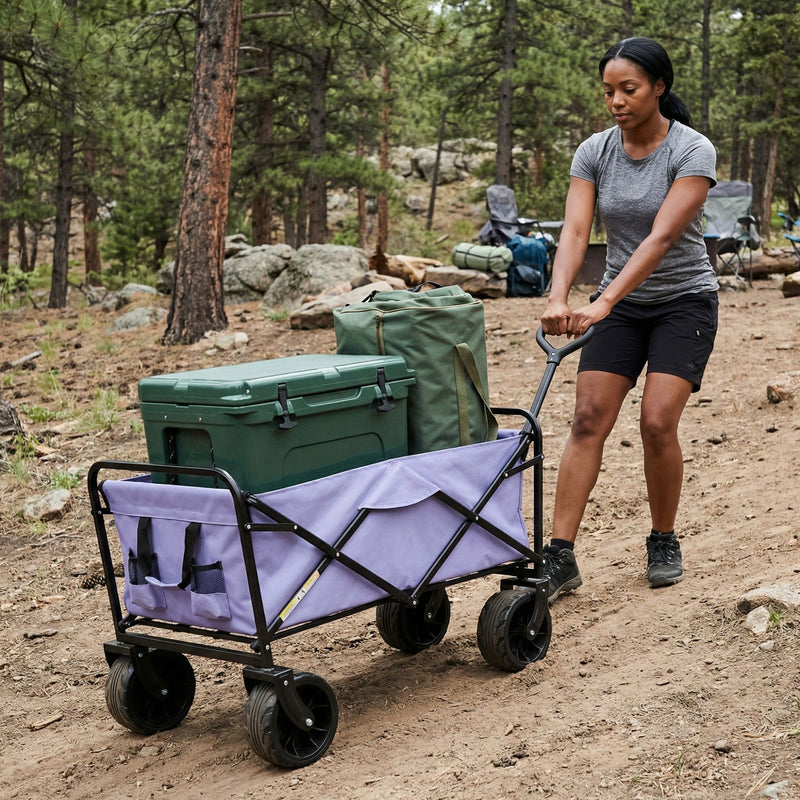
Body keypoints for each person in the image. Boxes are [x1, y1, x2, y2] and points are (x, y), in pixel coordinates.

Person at [540, 37, 718, 601]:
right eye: (609, 91)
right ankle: (560, 555)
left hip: (683, 300)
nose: (616, 101)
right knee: (588, 418)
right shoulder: (594, 151)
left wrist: (603, 300)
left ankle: (663, 537)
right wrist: (558, 295)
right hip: (618, 302)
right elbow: (574, 230)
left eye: (629, 89)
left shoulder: (691, 151)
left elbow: (662, 237)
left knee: (657, 422)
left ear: (659, 87)